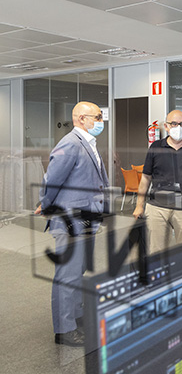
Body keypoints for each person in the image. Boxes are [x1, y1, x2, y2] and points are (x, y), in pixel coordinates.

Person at [36, 101, 109, 347]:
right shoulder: (70, 143)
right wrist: (46, 205)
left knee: (77, 274)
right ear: (80, 119)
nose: (101, 121)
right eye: (97, 117)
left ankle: (76, 320)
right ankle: (65, 330)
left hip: (86, 220)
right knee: (67, 276)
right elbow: (52, 180)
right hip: (70, 221)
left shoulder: (88, 143)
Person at [133, 110, 182, 254]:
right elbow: (146, 178)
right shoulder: (156, 147)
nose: (178, 127)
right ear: (166, 126)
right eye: (174, 124)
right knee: (156, 252)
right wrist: (139, 205)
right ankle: (159, 277)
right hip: (158, 207)